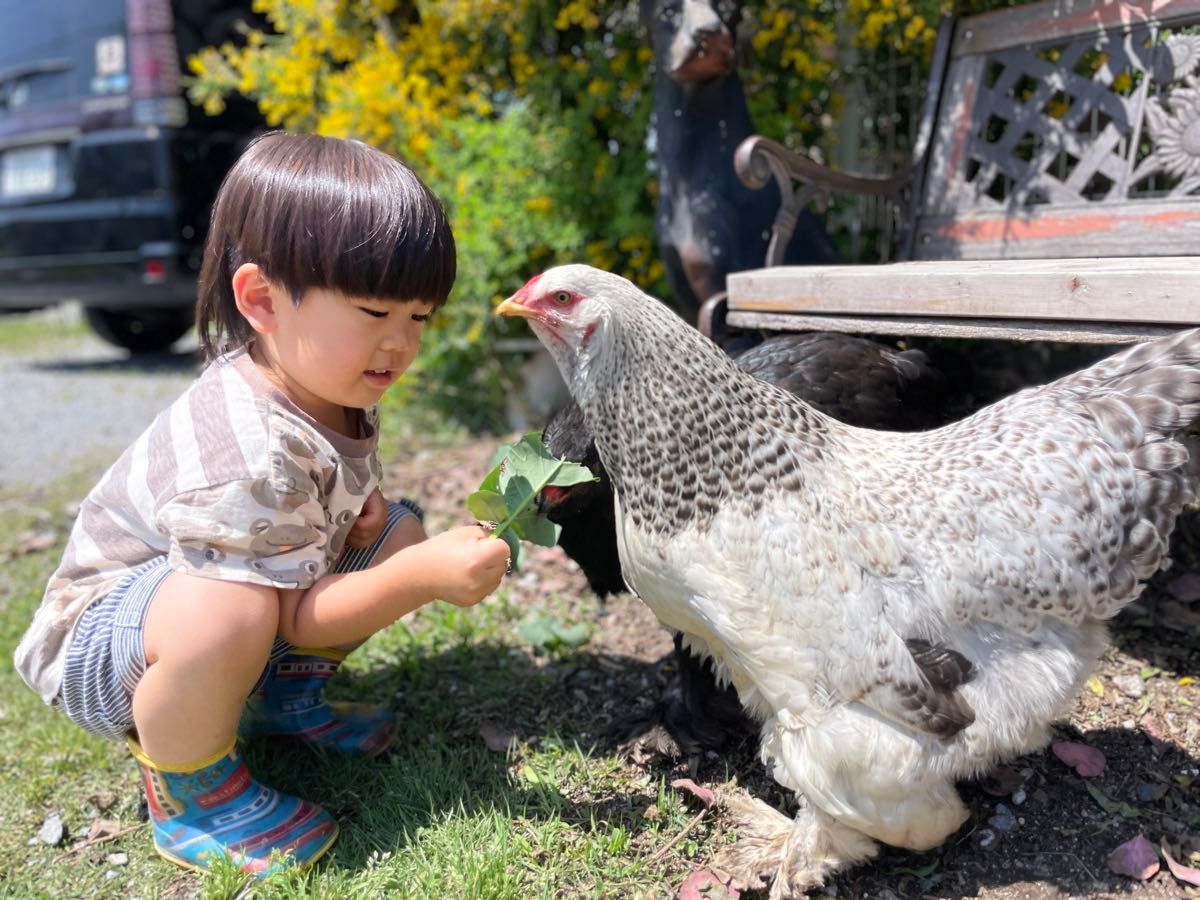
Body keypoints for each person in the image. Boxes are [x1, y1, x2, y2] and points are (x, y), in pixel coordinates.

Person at [13, 132, 511, 877]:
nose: (400, 344)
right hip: (98, 640)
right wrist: (423, 580)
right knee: (238, 609)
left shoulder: (325, 381)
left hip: (206, 597)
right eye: (375, 311)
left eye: (419, 317)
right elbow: (291, 611)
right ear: (260, 301)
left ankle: (274, 702)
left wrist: (360, 515)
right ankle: (191, 792)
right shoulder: (246, 447)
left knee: (397, 530)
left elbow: (310, 513)